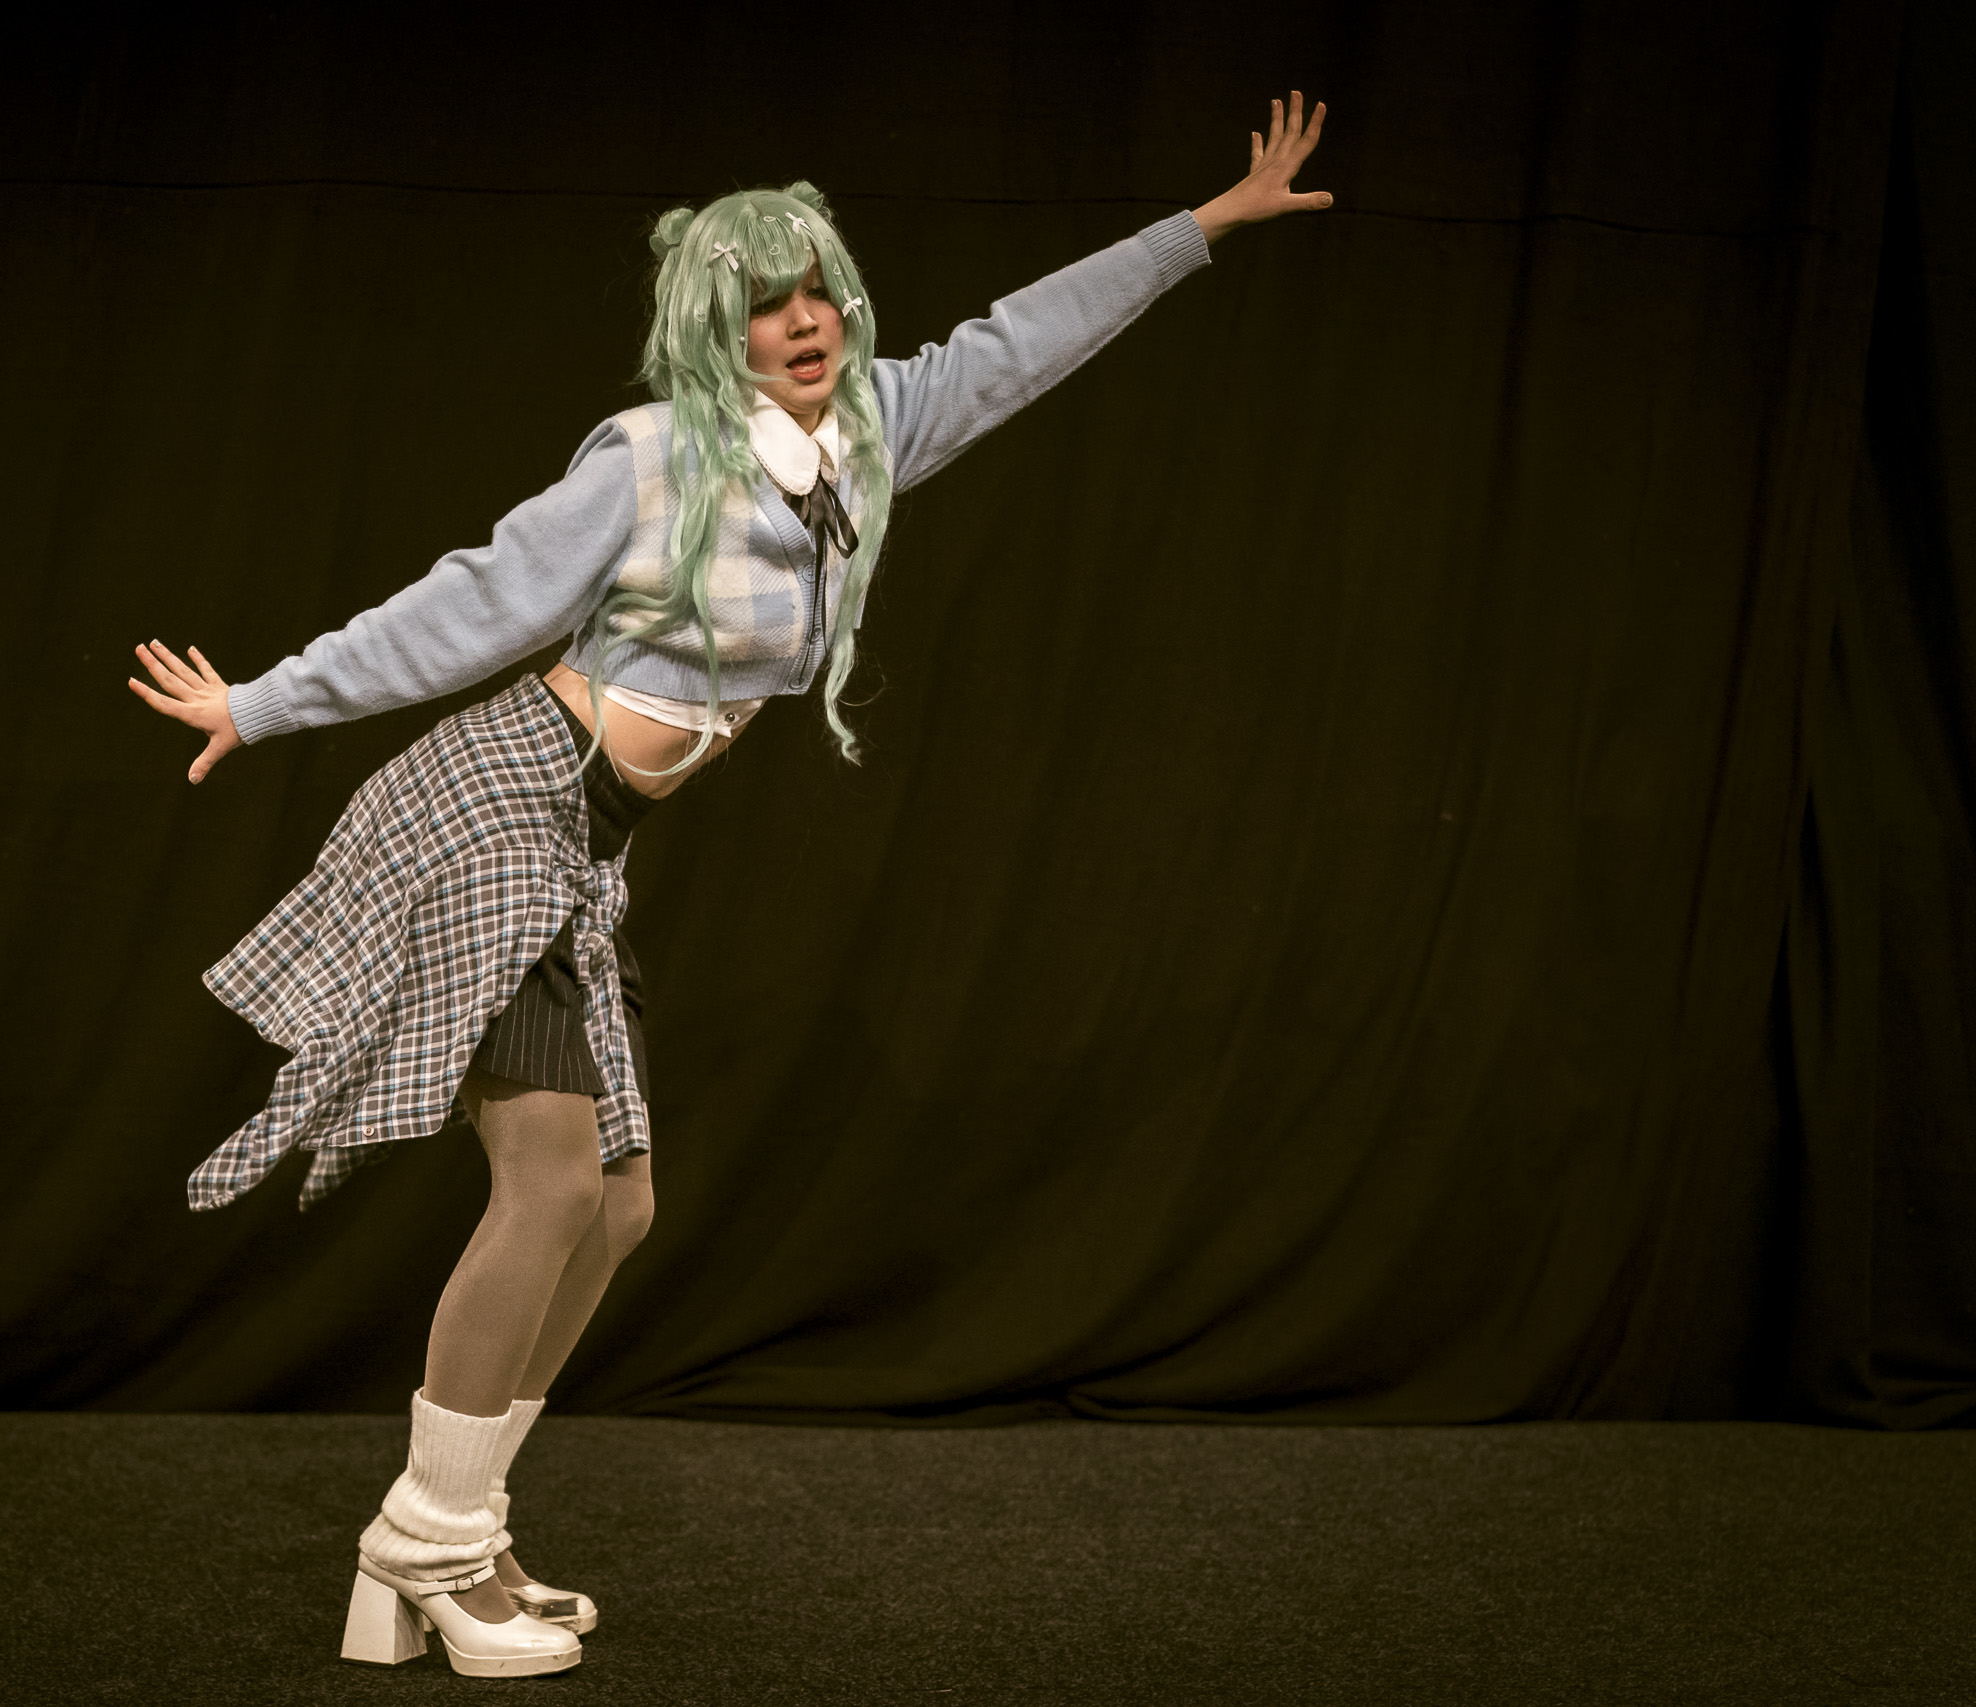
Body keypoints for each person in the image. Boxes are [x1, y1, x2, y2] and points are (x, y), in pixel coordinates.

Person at [130, 93, 1333, 1680]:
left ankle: (458, 1530)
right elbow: (475, 600)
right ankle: (421, 1548)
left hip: (586, 847)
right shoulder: (653, 458)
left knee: (620, 1207)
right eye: (767, 303)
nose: (803, 320)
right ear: (720, 332)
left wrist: (1205, 227)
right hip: (500, 807)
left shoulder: (872, 434)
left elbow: (1019, 343)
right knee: (553, 1184)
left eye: (818, 289)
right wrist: (263, 701)